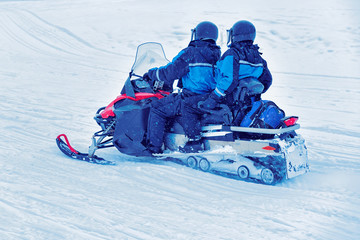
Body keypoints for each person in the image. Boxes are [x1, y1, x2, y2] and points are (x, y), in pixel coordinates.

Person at [182, 20, 273, 151]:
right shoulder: (258, 57)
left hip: (229, 101)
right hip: (247, 104)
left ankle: (194, 142)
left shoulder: (232, 54)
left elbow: (228, 80)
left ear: (235, 35)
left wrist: (213, 99)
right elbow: (267, 81)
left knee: (189, 105)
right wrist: (249, 93)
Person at [143, 21, 221, 154]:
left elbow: (170, 72)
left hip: (191, 98)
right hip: (210, 99)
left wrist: (151, 74)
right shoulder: (218, 55)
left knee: (157, 108)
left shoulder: (190, 52)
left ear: (197, 34)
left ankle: (154, 147)